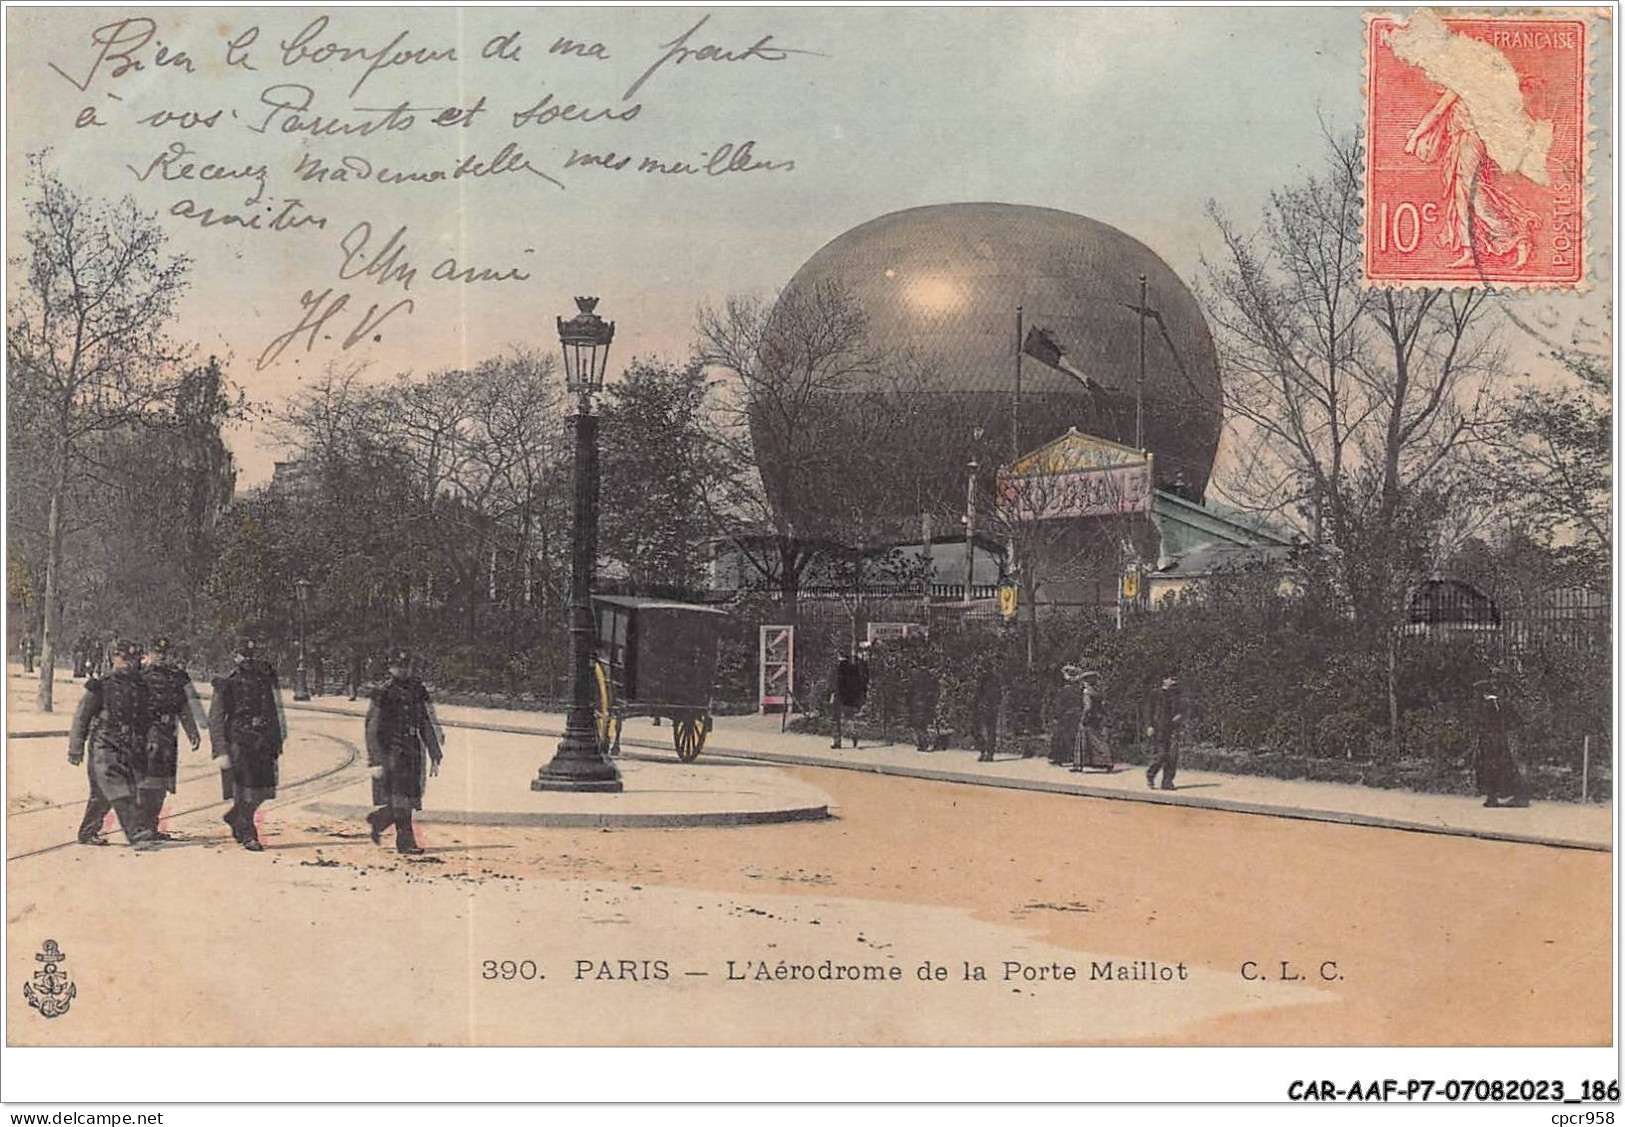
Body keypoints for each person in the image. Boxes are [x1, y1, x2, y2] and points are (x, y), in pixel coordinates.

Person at [68, 639, 158, 848]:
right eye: (123, 658)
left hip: (130, 744)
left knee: (102, 794)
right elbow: (82, 717)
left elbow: (148, 717)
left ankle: (87, 832)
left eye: (132, 659)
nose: (127, 663)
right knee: (117, 787)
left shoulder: (141, 686)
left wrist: (151, 738)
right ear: (114, 658)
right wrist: (76, 747)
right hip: (104, 744)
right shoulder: (101, 685)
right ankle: (135, 832)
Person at [209, 638, 286, 851]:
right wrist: (220, 749)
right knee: (244, 791)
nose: (249, 659)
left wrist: (277, 738)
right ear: (235, 656)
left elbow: (274, 709)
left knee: (264, 791)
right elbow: (216, 717)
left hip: (263, 742)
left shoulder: (264, 678)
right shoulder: (227, 681)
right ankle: (247, 834)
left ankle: (235, 816)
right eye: (244, 655)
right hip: (239, 742)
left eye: (252, 655)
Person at [364, 650, 444, 854]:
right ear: (390, 668)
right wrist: (375, 760)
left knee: (407, 798)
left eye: (406, 665)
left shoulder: (417, 689)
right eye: (398, 666)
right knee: (402, 800)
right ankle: (405, 842)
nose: (402, 669)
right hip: (391, 752)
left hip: (412, 751)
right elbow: (372, 728)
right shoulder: (383, 691)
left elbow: (425, 721)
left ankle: (380, 820)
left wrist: (435, 753)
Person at [138, 637, 203, 839]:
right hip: (146, 732)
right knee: (145, 781)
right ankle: (141, 827)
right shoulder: (139, 676)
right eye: (157, 653)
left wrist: (192, 732)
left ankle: (152, 826)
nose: (161, 657)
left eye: (165, 654)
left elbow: (184, 707)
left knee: (162, 783)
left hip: (168, 734)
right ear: (149, 654)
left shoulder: (177, 677)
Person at [1472, 672, 1530, 808]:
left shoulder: (1500, 701)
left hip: (1496, 738)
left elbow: (1506, 717)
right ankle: (1493, 796)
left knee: (1498, 766)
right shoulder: (1491, 701)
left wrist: (1495, 700)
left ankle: (1501, 796)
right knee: (1490, 767)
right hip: (1490, 738)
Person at [1145, 674, 1184, 790]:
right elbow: (1148, 711)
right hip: (1159, 728)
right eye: (1171, 679)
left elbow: (1182, 710)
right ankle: (1150, 775)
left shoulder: (1177, 694)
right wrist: (1149, 726)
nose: (1173, 681)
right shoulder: (1155, 694)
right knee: (1161, 755)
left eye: (1174, 679)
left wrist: (1180, 716)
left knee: (1172, 756)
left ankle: (1167, 782)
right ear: (1164, 680)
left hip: (1172, 728)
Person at [831, 645, 871, 749]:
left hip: (839, 697)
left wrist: (833, 694)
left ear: (839, 656)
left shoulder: (839, 668)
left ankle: (837, 742)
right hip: (850, 698)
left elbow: (837, 684)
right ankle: (853, 734)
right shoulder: (853, 668)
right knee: (848, 718)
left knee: (836, 720)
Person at [1074, 671, 1113, 772]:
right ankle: (1106, 762)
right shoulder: (1098, 692)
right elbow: (1103, 706)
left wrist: (1083, 718)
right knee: (1099, 740)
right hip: (1099, 718)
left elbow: (1088, 707)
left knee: (1084, 740)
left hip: (1090, 718)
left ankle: (1080, 764)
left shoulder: (1087, 692)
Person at [1049, 665, 1086, 766]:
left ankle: (1059, 758)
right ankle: (1072, 757)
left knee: (1060, 736)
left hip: (1065, 715)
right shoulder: (1080, 690)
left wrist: (1056, 715)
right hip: (1076, 714)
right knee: (1073, 736)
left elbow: (1059, 705)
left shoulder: (1064, 691)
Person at [905, 659, 941, 753]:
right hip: (928, 702)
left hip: (916, 702)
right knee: (927, 724)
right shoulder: (932, 677)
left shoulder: (914, 675)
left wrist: (908, 702)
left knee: (918, 725)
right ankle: (928, 743)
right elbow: (936, 691)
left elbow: (909, 690)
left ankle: (923, 743)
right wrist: (934, 701)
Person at [973, 653, 1003, 762]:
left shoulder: (982, 678)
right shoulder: (996, 678)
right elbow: (1000, 694)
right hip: (993, 707)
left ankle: (984, 751)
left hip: (983, 707)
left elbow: (977, 693)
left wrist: (976, 704)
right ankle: (989, 753)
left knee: (980, 730)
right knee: (991, 730)